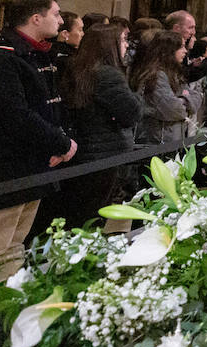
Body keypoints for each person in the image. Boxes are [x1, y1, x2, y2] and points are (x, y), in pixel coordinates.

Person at [0, 0, 76, 294]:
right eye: (56, 14)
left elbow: (50, 106)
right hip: (4, 166)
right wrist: (61, 143)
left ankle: (1, 306)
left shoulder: (34, 54)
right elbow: (15, 115)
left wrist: (61, 144)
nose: (60, 21)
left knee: (12, 246)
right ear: (36, 18)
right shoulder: (0, 56)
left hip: (31, 164)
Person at [55, 24, 144, 227]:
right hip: (105, 153)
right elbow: (132, 114)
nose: (126, 46)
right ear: (109, 45)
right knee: (92, 217)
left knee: (79, 215)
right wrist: (136, 94)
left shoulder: (75, 68)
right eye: (122, 40)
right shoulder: (107, 75)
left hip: (84, 150)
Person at [131, 30, 196, 145]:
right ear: (168, 50)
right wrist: (186, 101)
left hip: (171, 137)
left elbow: (196, 97)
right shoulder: (156, 75)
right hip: (157, 140)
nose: (185, 51)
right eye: (181, 47)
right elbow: (172, 108)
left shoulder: (174, 73)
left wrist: (183, 101)